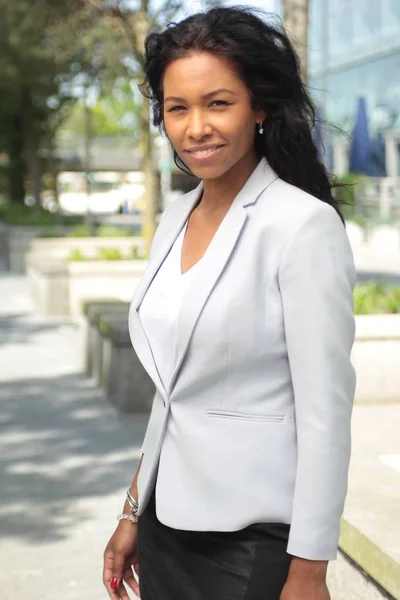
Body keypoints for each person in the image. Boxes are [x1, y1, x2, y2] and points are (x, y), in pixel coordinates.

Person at [103, 6, 357, 600]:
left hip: (251, 543)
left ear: (260, 107)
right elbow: (174, 392)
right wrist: (132, 512)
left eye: (218, 103)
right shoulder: (174, 216)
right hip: (167, 527)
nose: (196, 128)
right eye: (178, 108)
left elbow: (324, 415)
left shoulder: (301, 226)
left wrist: (310, 569)